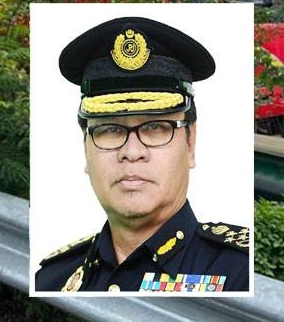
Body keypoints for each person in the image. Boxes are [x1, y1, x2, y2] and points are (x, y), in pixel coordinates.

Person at [34, 17, 249, 293]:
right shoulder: (52, 279)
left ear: (190, 143)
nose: (132, 152)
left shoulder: (242, 275)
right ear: (85, 148)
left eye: (156, 128)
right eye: (110, 130)